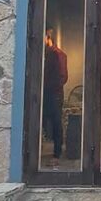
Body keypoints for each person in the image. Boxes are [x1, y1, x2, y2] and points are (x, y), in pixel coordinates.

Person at [42, 28, 68, 168]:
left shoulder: (57, 54)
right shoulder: (45, 54)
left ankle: (57, 153)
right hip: (46, 92)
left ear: (48, 36)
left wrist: (49, 87)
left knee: (56, 122)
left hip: (53, 93)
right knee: (45, 121)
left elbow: (62, 76)